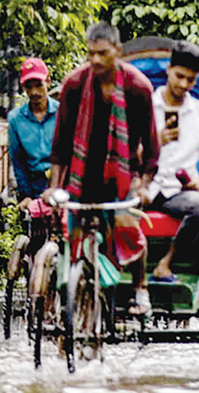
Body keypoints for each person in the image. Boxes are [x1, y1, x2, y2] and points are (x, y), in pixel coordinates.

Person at [44, 22, 160, 315]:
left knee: (127, 227)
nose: (95, 60)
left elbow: (151, 144)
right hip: (82, 175)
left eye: (102, 53)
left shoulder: (138, 87)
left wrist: (144, 184)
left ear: (117, 52)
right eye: (90, 53)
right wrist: (55, 187)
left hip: (124, 175)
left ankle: (139, 287)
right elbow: (60, 145)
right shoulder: (74, 84)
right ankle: (72, 294)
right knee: (74, 236)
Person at [147, 41, 199, 284]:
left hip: (178, 192)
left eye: (190, 80)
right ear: (168, 69)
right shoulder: (144, 105)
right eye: (179, 76)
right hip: (142, 186)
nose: (183, 84)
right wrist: (155, 142)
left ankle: (166, 263)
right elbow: (124, 152)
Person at [8, 58, 58, 210]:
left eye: (39, 85)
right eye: (29, 87)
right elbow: (18, 161)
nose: (34, 92)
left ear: (48, 81)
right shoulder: (16, 119)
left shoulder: (63, 113)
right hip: (34, 188)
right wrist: (26, 196)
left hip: (60, 187)